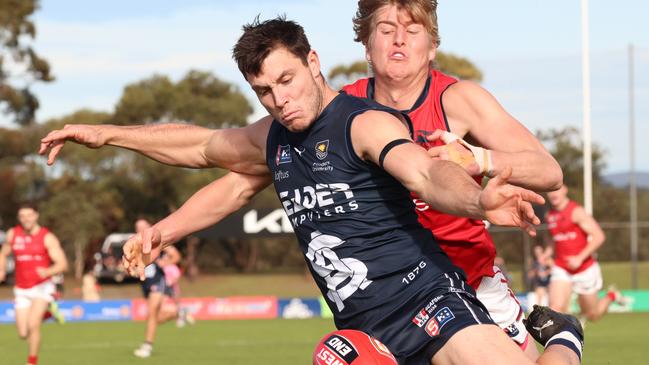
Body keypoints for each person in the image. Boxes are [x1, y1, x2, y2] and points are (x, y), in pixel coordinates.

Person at [40, 17, 583, 365]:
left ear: (313, 63)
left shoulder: (364, 122)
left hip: (429, 300)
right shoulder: (275, 138)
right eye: (263, 92)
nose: (279, 100)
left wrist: (476, 197)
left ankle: (565, 340)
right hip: (361, 330)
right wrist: (107, 136)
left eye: (286, 81)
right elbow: (201, 149)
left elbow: (422, 173)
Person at [342, 0, 566, 359]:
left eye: (412, 30)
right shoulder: (343, 108)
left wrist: (478, 159)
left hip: (471, 278)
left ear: (431, 47)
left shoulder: (457, 100)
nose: (399, 39)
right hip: (393, 294)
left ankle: (565, 340)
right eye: (385, 30)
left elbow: (549, 171)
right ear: (367, 45)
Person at [546, 185, 626, 323]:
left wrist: (579, 258)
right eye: (550, 191)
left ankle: (611, 296)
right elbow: (554, 239)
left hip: (584, 268)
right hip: (562, 268)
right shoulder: (549, 215)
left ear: (565, 189)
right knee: (555, 309)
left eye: (557, 190)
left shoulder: (576, 212)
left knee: (592, 315)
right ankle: (566, 339)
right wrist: (546, 254)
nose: (553, 194)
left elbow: (599, 236)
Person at [0, 203, 68, 365]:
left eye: (29, 215)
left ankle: (31, 362)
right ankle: (48, 313)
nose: (26, 219)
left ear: (36, 215)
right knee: (23, 333)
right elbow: (3, 253)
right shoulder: (13, 234)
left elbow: (62, 263)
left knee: (33, 324)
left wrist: (48, 271)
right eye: (22, 216)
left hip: (42, 287)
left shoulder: (47, 237)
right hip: (21, 289)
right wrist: (1, 270)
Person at [132, 217, 184, 358]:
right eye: (137, 227)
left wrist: (164, 262)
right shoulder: (136, 244)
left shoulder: (158, 241)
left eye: (143, 227)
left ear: (149, 227)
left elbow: (176, 256)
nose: (140, 230)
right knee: (153, 317)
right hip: (145, 284)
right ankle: (176, 314)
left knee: (152, 313)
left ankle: (147, 346)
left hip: (157, 281)